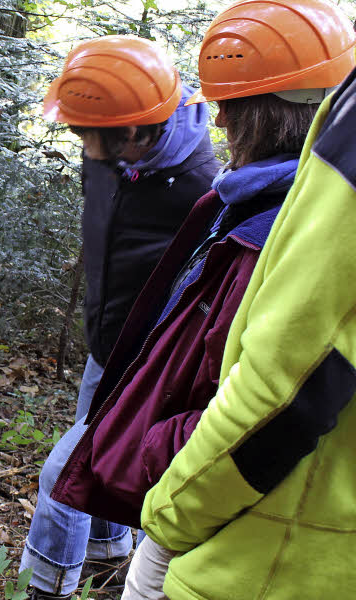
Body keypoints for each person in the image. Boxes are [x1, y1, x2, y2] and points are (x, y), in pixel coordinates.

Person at [129, 3, 356, 599]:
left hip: (251, 524)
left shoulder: (279, 222)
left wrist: (163, 468)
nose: (219, 119)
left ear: (266, 113)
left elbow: (260, 389)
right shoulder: (244, 201)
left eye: (232, 106)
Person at [19, 36, 220, 599]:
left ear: (132, 131)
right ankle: (109, 556)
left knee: (63, 475)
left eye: (90, 136)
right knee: (97, 463)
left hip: (147, 364)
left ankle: (44, 587)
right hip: (104, 346)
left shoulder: (201, 191)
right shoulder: (109, 153)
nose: (83, 146)